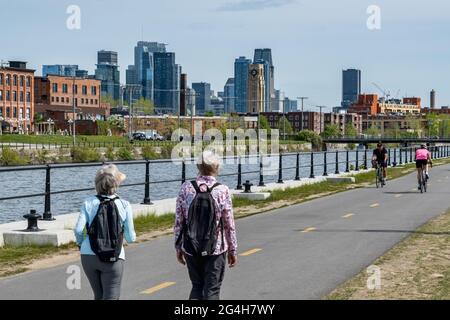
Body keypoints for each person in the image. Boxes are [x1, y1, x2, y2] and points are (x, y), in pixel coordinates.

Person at [174, 150, 238, 300]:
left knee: (197, 286)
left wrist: (178, 246)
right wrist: (232, 250)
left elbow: (179, 221)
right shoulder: (222, 190)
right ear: (216, 167)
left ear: (198, 166)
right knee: (212, 290)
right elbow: (229, 223)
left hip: (191, 247)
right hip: (216, 248)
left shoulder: (186, 188)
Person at [74, 164, 136, 300]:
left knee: (98, 295)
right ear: (117, 184)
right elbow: (131, 237)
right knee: (111, 296)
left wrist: (81, 244)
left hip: (88, 255)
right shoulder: (124, 204)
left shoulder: (88, 202)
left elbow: (78, 230)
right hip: (114, 255)